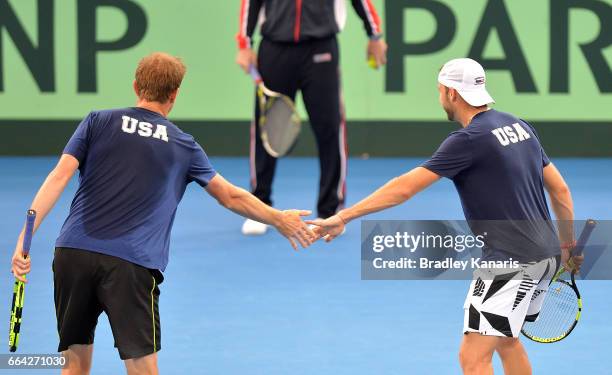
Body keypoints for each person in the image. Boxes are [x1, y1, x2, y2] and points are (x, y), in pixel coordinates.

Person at [10, 52, 315, 375]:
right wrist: (279, 218)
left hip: (73, 253)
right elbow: (229, 196)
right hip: (131, 264)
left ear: (136, 86)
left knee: (73, 366)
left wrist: (23, 239)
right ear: (174, 94)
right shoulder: (183, 145)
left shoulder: (97, 121)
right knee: (143, 370)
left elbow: (58, 176)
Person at [309, 58, 584, 375]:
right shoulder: (520, 126)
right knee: (506, 341)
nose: (439, 97)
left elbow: (403, 189)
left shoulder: (467, 140)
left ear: (453, 94)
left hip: (509, 261)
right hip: (545, 254)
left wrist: (344, 216)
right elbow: (560, 191)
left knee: (473, 357)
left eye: (440, 90)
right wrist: (567, 247)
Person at [235, 0, 388, 235]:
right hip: (274, 50)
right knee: (268, 128)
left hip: (321, 48)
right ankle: (260, 207)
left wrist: (374, 36)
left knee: (330, 130)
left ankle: (330, 212)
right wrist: (244, 44)